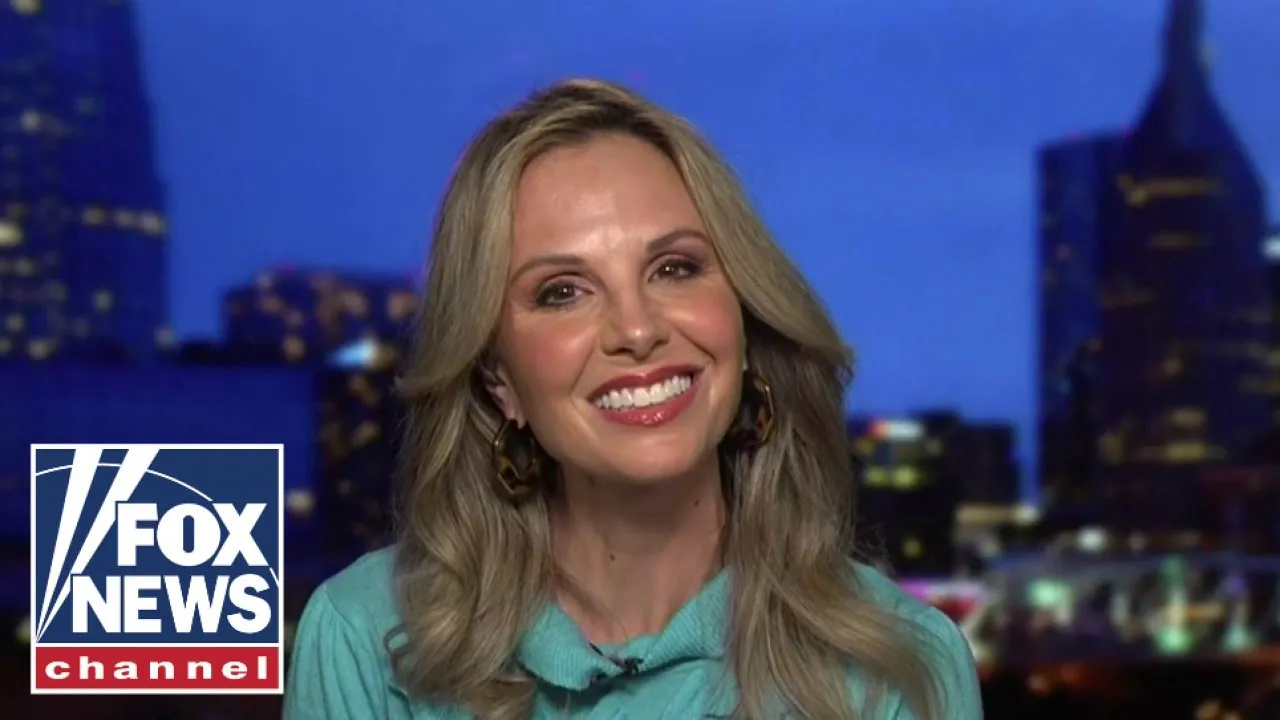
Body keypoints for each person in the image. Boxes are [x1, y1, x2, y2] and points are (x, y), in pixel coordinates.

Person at [283, 78, 982, 720]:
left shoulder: (903, 666)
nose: (638, 330)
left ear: (742, 316)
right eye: (563, 292)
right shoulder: (366, 639)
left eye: (674, 268)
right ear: (498, 377)